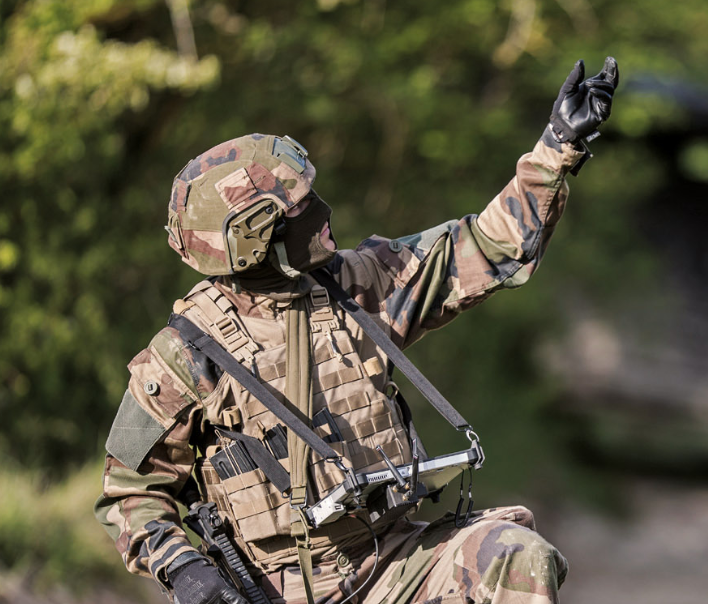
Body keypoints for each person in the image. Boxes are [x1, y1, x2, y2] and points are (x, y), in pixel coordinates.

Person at [95, 57, 619, 604]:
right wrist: (185, 571)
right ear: (254, 240)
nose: (321, 213)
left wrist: (557, 146)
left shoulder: (357, 284)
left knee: (515, 555)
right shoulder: (184, 354)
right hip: (281, 590)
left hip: (396, 561)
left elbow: (489, 247)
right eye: (299, 209)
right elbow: (127, 494)